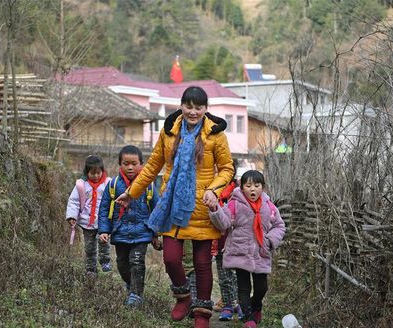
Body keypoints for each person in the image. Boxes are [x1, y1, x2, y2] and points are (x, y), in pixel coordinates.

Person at [116, 86, 234, 328]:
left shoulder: (216, 136)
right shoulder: (169, 132)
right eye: (188, 106)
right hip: (171, 205)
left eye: (198, 107)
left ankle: (201, 315)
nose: (193, 111)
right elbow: (151, 166)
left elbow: (227, 169)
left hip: (201, 206)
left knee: (202, 264)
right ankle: (183, 297)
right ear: (181, 106)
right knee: (171, 259)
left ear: (205, 109)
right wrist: (131, 193)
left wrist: (213, 190)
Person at [207, 170, 286, 327]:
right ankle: (249, 318)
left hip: (261, 252)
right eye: (248, 185)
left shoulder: (269, 207)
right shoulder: (235, 204)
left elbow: (279, 225)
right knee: (244, 287)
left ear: (262, 188)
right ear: (242, 187)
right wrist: (215, 210)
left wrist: (270, 241)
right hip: (240, 251)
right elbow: (224, 223)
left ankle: (255, 306)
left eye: (256, 185)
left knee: (262, 287)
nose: (252, 189)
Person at [98, 145, 159, 307]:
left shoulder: (149, 186)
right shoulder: (113, 185)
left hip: (142, 232)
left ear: (141, 164)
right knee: (122, 264)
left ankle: (136, 295)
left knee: (137, 261)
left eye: (134, 163)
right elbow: (104, 208)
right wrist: (104, 230)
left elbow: (157, 209)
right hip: (120, 232)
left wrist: (155, 233)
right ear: (120, 164)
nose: (130, 167)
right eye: (126, 163)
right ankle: (131, 286)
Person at [66, 155, 112, 278]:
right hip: (87, 222)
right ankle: (91, 269)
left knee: (104, 242)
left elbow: (114, 200)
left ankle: (105, 261)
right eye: (92, 173)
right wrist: (72, 216)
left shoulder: (108, 184)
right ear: (87, 173)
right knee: (89, 247)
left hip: (103, 221)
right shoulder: (81, 185)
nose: (96, 176)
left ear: (102, 171)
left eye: (98, 173)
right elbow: (74, 201)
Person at [214, 163, 243, 321]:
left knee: (237, 275)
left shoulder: (239, 190)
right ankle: (227, 305)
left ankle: (238, 303)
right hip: (218, 240)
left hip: (235, 239)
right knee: (224, 275)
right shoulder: (210, 188)